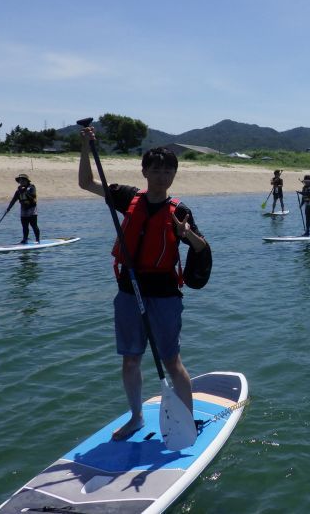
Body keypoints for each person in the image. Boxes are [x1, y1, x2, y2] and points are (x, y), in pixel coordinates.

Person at [78, 126, 212, 441]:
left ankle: (187, 420)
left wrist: (185, 233)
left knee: (171, 361)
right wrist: (86, 145)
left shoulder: (180, 211)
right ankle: (137, 417)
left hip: (164, 293)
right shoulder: (128, 197)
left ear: (175, 174)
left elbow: (202, 248)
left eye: (169, 170)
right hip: (129, 288)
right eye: (156, 170)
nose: (162, 175)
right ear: (145, 171)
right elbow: (86, 183)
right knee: (130, 359)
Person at [7, 173, 40, 244]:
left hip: (32, 210)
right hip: (24, 210)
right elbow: (13, 200)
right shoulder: (18, 191)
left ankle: (37, 240)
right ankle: (25, 239)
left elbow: (33, 196)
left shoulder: (32, 188)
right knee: (25, 226)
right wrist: (8, 208)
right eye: (20, 181)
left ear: (27, 181)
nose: (21, 182)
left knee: (34, 225)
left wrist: (25, 191)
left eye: (22, 180)